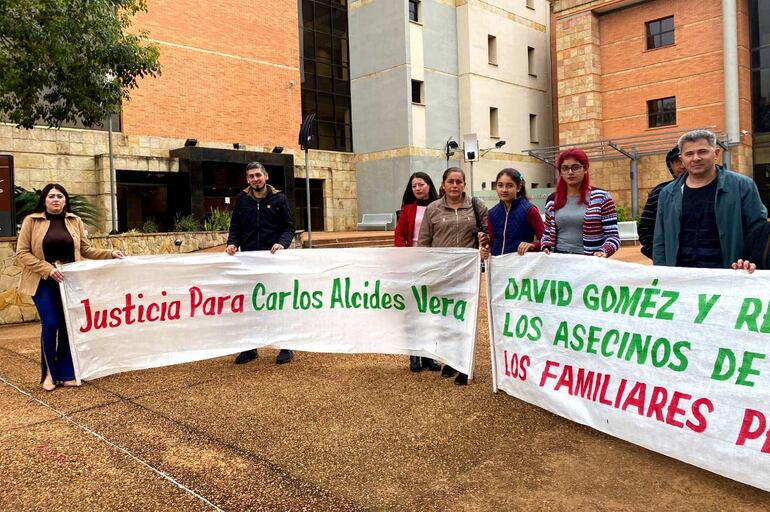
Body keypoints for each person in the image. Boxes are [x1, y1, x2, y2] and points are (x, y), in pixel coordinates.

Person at [16, 184, 124, 391]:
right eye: (51, 196)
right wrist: (47, 269)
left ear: (65, 200)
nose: (55, 199)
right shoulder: (32, 220)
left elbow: (85, 249)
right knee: (51, 323)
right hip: (42, 281)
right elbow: (22, 253)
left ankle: (66, 374)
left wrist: (110, 254)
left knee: (67, 327)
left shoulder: (74, 221)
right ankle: (49, 373)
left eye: (60, 196)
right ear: (44, 200)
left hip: (69, 281)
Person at [653, 129, 767, 268]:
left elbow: (758, 231)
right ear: (682, 159)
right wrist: (661, 272)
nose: (696, 158)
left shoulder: (742, 186)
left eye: (702, 151)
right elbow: (660, 239)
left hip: (729, 274)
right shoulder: (668, 193)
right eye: (689, 154)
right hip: (681, 278)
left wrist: (751, 262)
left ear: (716, 153)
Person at [418, 167, 488, 386]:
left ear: (464, 184)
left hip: (467, 272)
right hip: (442, 272)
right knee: (445, 318)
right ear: (443, 184)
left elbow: (487, 233)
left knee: (465, 318)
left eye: (459, 181)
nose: (455, 185)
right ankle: (449, 360)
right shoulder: (433, 209)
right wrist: (425, 268)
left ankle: (464, 363)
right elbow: (425, 241)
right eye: (451, 181)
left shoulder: (477, 206)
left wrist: (484, 242)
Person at [226, 161, 296, 365]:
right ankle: (250, 348)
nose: (255, 179)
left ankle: (285, 346)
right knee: (250, 304)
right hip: (249, 261)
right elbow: (235, 227)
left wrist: (282, 244)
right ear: (247, 179)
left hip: (273, 261)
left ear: (266, 176)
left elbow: (288, 228)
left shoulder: (279, 199)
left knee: (278, 303)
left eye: (258, 175)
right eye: (251, 176)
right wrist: (232, 243)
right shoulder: (242, 199)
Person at [394, 172, 442, 373]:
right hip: (412, 262)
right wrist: (404, 257)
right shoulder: (407, 210)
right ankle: (414, 353)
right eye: (414, 186)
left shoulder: (440, 207)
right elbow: (399, 235)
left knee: (430, 309)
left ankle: (429, 354)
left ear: (429, 185)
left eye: (420, 184)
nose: (417, 189)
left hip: (432, 262)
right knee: (413, 309)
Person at [541, 148, 620, 257]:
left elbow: (613, 237)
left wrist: (603, 251)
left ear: (586, 168)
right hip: (558, 260)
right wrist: (545, 246)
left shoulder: (602, 197)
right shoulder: (552, 200)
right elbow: (547, 234)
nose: (570, 172)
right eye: (565, 168)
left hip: (590, 261)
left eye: (575, 167)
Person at [638, 146, 685, 259]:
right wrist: (659, 255)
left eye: (684, 160)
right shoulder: (660, 192)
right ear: (671, 166)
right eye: (677, 162)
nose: (682, 166)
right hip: (671, 265)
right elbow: (645, 228)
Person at [486, 168, 544, 256]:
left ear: (519, 187)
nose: (504, 190)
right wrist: (484, 244)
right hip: (497, 267)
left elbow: (546, 242)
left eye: (509, 186)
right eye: (500, 185)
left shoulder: (530, 210)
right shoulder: (492, 213)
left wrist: (532, 245)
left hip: (521, 266)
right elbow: (490, 244)